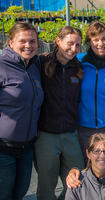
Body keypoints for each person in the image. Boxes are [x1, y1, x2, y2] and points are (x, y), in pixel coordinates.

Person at [35, 26, 85, 200]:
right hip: (46, 135)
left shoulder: (78, 68)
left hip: (71, 134)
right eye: (69, 43)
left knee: (78, 180)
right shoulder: (41, 63)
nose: (73, 49)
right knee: (46, 186)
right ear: (58, 40)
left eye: (78, 45)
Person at [0, 22, 44, 200]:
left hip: (27, 147)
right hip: (3, 147)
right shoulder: (2, 66)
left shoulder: (34, 66)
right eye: (22, 41)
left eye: (32, 41)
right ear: (10, 42)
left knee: (20, 192)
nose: (28, 45)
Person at [76, 21, 105, 162]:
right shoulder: (79, 62)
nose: (100, 43)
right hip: (83, 128)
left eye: (104, 39)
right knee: (86, 168)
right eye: (95, 40)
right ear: (89, 42)